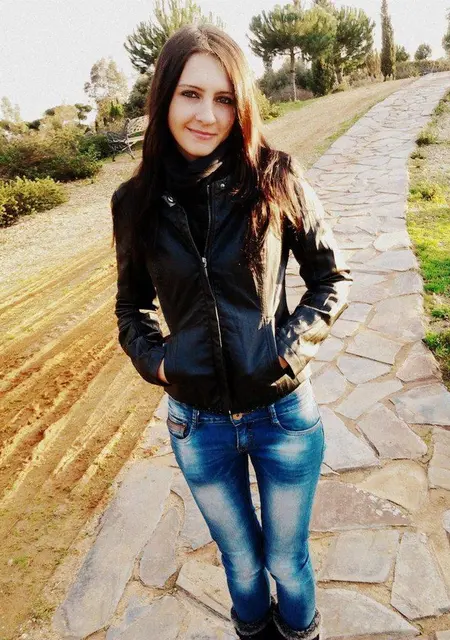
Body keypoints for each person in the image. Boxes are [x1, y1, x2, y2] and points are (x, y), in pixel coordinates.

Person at [111, 24, 352, 640]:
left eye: (224, 98)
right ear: (164, 96)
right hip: (198, 428)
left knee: (286, 563)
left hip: (283, 417)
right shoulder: (134, 202)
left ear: (241, 104)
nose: (207, 115)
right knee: (241, 565)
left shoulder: (275, 176)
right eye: (191, 94)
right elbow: (131, 309)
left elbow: (331, 278)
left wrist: (287, 352)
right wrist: (160, 364)